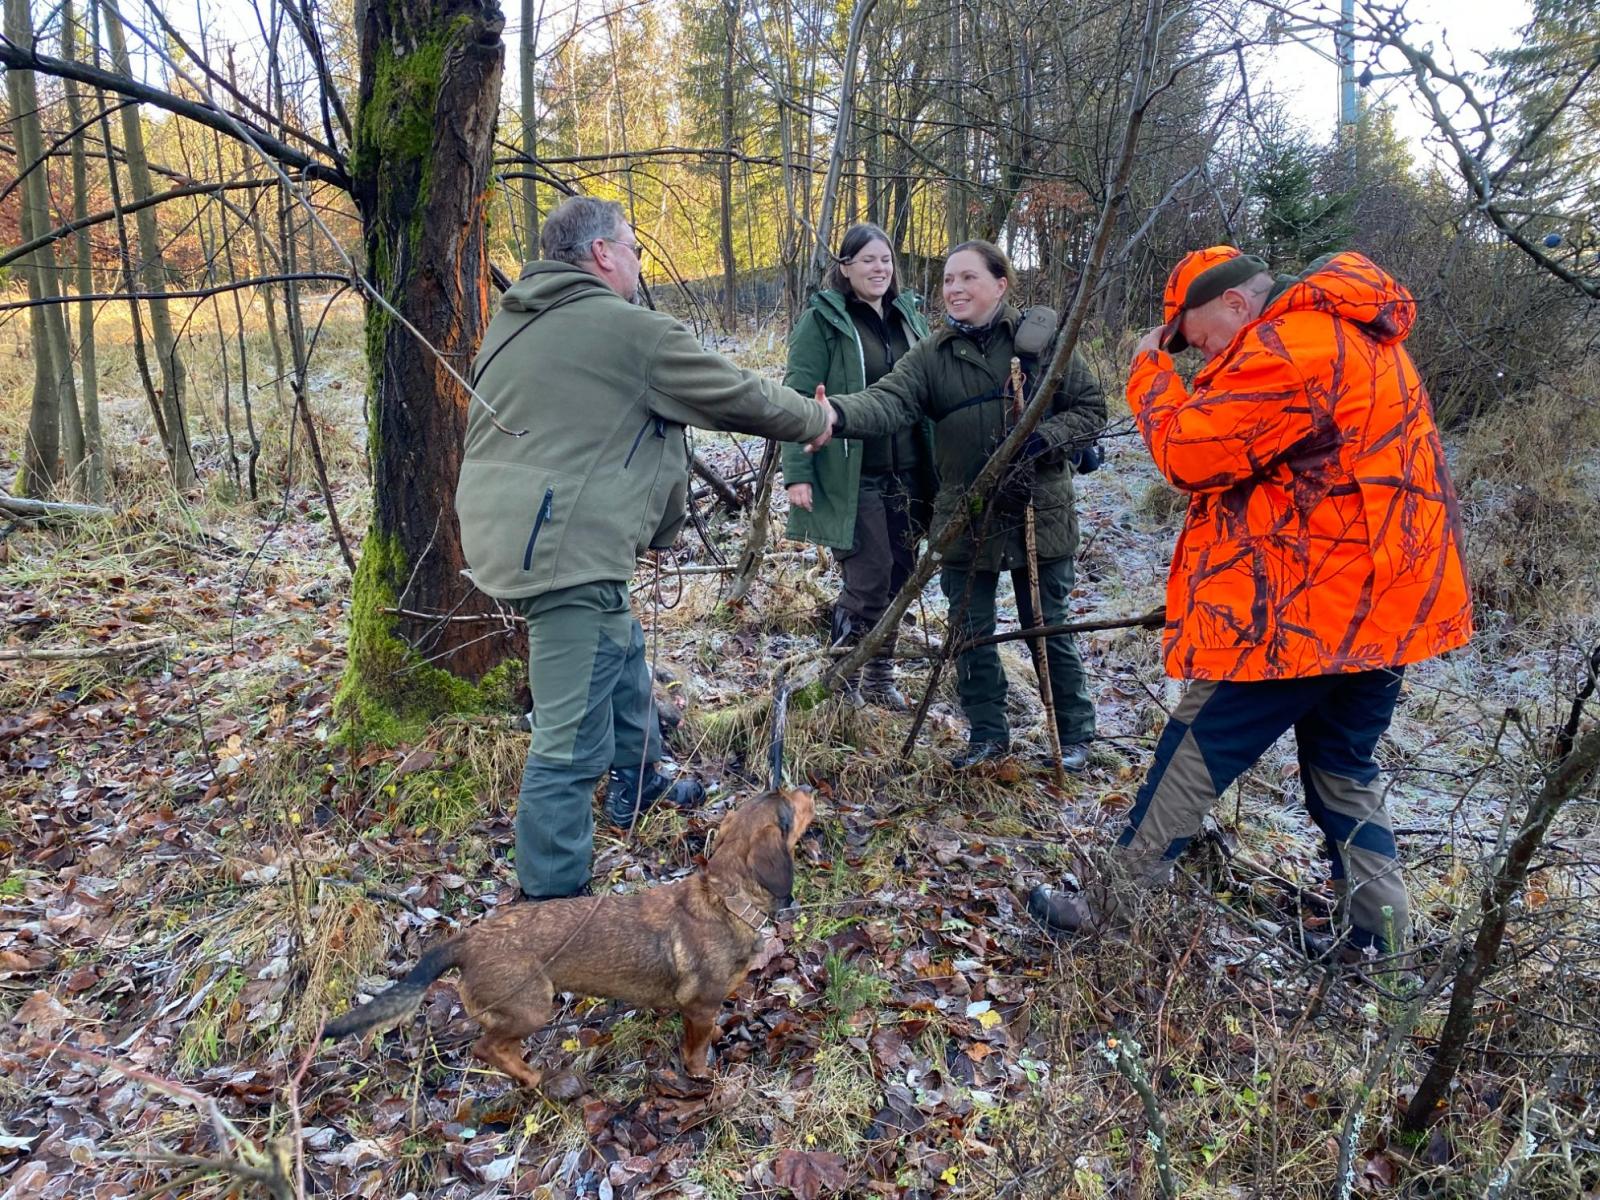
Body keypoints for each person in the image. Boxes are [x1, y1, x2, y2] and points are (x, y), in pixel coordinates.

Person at [1028, 246, 1474, 959]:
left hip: (1309, 608)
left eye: (1199, 336)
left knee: (1195, 748)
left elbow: (1189, 456)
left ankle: (1112, 904)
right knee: (1342, 765)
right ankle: (1381, 940)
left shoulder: (1290, 346)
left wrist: (1149, 372)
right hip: (1383, 606)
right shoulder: (1360, 339)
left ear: (1235, 303)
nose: (1202, 354)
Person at [456, 195, 834, 901]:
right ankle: (550, 909)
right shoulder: (623, 329)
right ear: (602, 253)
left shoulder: (516, 322)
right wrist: (816, 416)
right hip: (564, 548)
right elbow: (735, 393)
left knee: (621, 648)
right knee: (569, 741)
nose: (638, 261)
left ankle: (640, 780)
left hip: (516, 533)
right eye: (633, 247)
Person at [814, 240, 1107, 772]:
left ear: (1000, 284)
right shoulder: (934, 354)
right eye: (949, 279)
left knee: (1047, 624)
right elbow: (889, 400)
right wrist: (834, 415)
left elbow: (1090, 409)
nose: (954, 289)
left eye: (968, 278)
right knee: (969, 629)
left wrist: (1043, 440)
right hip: (965, 514)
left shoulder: (1042, 343)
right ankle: (988, 737)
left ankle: (1073, 733)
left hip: (1040, 512)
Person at [780, 223, 934, 709]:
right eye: (868, 260)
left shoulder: (909, 318)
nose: (879, 268)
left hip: (909, 474)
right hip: (851, 474)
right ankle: (841, 678)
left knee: (901, 575)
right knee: (869, 578)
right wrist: (797, 473)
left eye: (885, 260)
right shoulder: (823, 321)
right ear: (845, 268)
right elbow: (797, 397)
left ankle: (879, 678)